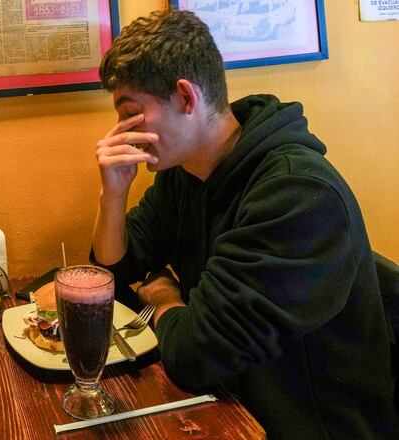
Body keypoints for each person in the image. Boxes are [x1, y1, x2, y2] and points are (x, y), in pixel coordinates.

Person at [91, 9, 397, 439]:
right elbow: (113, 270)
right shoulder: (186, 173)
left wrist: (161, 296)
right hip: (233, 401)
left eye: (131, 114)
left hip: (308, 422)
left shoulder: (294, 195)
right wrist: (114, 194)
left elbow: (196, 354)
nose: (122, 132)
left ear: (185, 97)